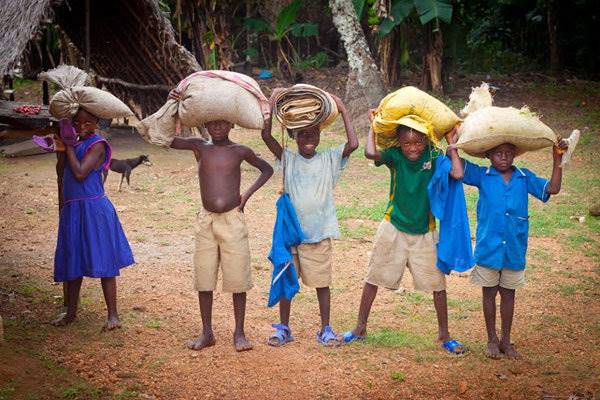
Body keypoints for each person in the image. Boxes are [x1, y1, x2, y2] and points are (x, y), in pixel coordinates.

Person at [341, 115, 467, 355]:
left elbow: (458, 174)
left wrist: (452, 146)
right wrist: (373, 127)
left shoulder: (433, 155)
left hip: (425, 231)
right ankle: (360, 328)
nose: (413, 148)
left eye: (418, 142)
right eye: (407, 143)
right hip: (393, 226)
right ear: (399, 142)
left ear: (426, 141)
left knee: (438, 284)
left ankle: (444, 335)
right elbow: (370, 153)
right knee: (373, 276)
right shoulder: (394, 156)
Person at [261, 89, 358, 346]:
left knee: (322, 284)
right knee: (286, 280)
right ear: (293, 136)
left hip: (319, 234)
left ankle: (325, 328)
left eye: (313, 133)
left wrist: (344, 109)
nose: (308, 137)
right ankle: (284, 328)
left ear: (320, 135)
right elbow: (265, 136)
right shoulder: (288, 159)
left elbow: (354, 145)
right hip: (291, 234)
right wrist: (271, 107)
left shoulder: (329, 159)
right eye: (302, 133)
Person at [456, 138, 567, 359]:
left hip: (514, 249)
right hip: (488, 248)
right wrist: (453, 143)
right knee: (488, 294)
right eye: (497, 153)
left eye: (508, 153)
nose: (503, 157)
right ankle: (491, 340)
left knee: (508, 295)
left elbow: (552, 189)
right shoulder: (482, 176)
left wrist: (557, 159)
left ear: (515, 154)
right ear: (488, 155)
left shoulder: (523, 177)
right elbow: (458, 169)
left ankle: (506, 340)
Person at [168, 119, 273, 352]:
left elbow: (267, 169)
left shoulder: (240, 151)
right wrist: (174, 108)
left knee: (237, 277)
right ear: (204, 125)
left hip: (232, 221)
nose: (217, 127)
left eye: (222, 123)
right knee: (204, 276)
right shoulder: (199, 147)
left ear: (232, 125)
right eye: (212, 123)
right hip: (206, 220)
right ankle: (207, 332)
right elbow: (169, 141)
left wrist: (245, 196)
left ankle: (240, 332)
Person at [52, 108, 134, 331]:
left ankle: (113, 316)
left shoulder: (98, 145)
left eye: (87, 123)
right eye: (77, 122)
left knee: (103, 259)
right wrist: (62, 147)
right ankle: (71, 312)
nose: (81, 126)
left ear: (96, 123)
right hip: (73, 209)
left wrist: (68, 145)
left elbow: (79, 173)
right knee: (73, 259)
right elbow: (62, 172)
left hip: (93, 209)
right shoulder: (76, 143)